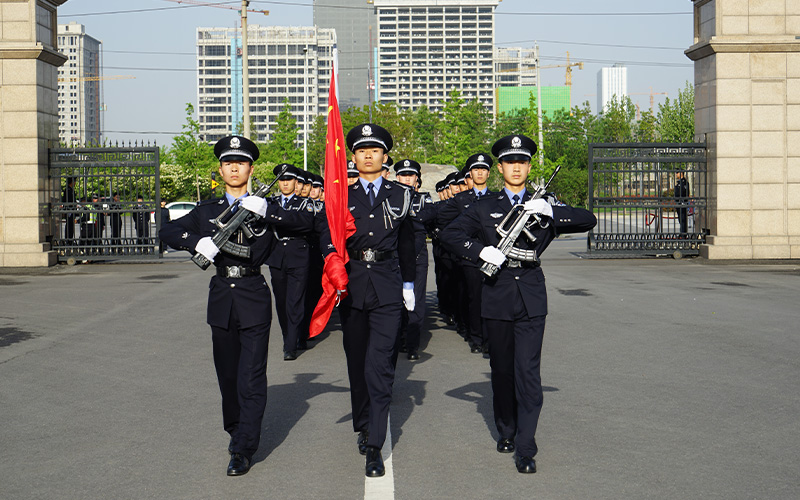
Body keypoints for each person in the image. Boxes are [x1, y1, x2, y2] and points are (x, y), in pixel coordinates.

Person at [440, 134, 597, 474]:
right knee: (502, 370)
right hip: (496, 294)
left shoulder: (543, 204)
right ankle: (506, 429)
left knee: (528, 372)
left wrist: (550, 210)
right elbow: (450, 234)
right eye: (509, 162)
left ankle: (526, 445)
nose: (516, 167)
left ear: (528, 167)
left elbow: (588, 219)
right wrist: (480, 251)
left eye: (522, 162)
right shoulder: (485, 206)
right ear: (499, 168)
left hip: (530, 295)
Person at [159, 135, 313, 476]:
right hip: (221, 297)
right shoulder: (208, 211)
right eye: (228, 163)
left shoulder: (265, 206)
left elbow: (307, 224)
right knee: (227, 375)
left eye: (240, 163)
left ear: (250, 169)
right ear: (220, 169)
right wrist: (195, 241)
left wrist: (269, 212)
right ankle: (235, 430)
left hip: (253, 293)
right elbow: (167, 230)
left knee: (252, 375)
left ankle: (244, 447)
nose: (234, 168)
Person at [319, 123, 418, 478]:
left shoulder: (401, 194)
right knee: (357, 361)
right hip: (353, 285)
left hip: (388, 285)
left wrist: (409, 284)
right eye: (361, 151)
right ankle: (363, 423)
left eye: (374, 150)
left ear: (384, 156)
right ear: (353, 157)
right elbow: (326, 234)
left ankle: (375, 443)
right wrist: (331, 261)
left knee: (380, 364)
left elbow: (408, 242)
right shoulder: (341, 195)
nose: (368, 156)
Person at [437, 153, 494, 354]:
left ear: (489, 173)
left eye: (483, 169)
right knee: (474, 297)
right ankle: (476, 337)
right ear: (470, 173)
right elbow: (442, 222)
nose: (480, 173)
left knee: (491, 298)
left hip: (493, 256)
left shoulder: (496, 198)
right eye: (476, 170)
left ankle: (490, 337)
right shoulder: (461, 199)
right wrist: (461, 242)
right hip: (470, 256)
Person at [265, 164, 312, 361]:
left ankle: (290, 345)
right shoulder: (270, 202)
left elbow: (304, 224)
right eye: (282, 180)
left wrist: (277, 218)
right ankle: (290, 336)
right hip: (277, 256)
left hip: (297, 256)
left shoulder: (305, 204)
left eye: (289, 180)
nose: (285, 183)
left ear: (295, 182)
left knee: (294, 301)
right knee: (281, 302)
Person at [393, 159, 434, 360]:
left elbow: (429, 220)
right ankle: (398, 338)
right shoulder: (391, 199)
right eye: (403, 175)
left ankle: (412, 344)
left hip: (417, 254)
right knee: (396, 299)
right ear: (397, 177)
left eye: (411, 175)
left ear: (417, 178)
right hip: (395, 254)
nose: (407, 179)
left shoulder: (424, 199)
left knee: (416, 299)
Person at [674, 169, 690, 235]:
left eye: (677, 173)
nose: (676, 174)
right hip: (678, 203)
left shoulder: (684, 182)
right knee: (680, 219)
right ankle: (682, 232)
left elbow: (685, 193)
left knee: (683, 219)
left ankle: (684, 233)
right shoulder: (678, 182)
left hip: (683, 203)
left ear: (681, 173)